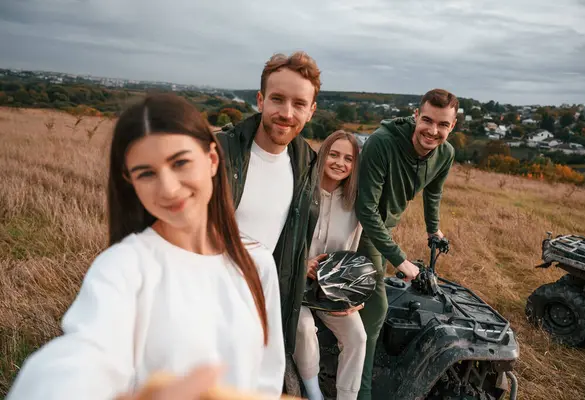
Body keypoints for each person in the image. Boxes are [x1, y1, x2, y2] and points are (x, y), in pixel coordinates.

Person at [6, 93, 285, 400]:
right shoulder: (123, 266)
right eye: (146, 173)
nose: (168, 188)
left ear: (212, 160)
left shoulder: (257, 262)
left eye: (180, 163)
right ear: (130, 182)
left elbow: (268, 375)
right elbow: (85, 354)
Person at [217, 51, 322, 392]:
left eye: (299, 103)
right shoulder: (218, 152)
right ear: (260, 100)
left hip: (262, 310)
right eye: (277, 99)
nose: (286, 113)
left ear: (311, 111)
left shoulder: (307, 162)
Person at [354, 88, 458, 400]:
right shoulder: (382, 142)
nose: (433, 130)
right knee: (376, 309)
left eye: (443, 124)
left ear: (452, 126)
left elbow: (433, 192)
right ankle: (362, 391)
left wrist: (433, 230)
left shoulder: (446, 154)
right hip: (359, 226)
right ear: (416, 115)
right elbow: (365, 210)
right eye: (427, 120)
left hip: (382, 228)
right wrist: (401, 261)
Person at [292, 130, 366, 400]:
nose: (339, 163)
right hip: (295, 281)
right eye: (333, 154)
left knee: (357, 337)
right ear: (322, 155)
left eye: (348, 158)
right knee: (302, 328)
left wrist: (354, 293)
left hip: (331, 289)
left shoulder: (355, 203)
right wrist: (302, 265)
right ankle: (314, 394)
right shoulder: (300, 191)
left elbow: (352, 252)